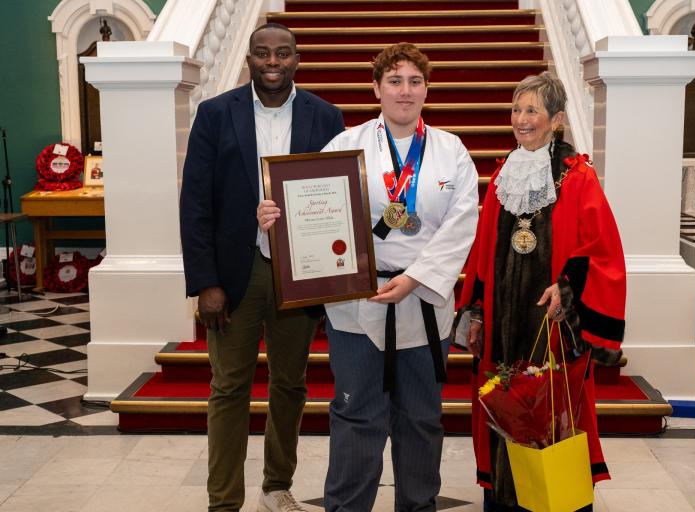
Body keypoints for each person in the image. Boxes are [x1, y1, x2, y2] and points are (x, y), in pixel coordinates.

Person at [265, 42, 478, 511]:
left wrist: (417, 278)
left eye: (415, 81)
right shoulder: (346, 146)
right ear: (377, 88)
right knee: (356, 415)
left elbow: (462, 225)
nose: (406, 91)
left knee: (421, 418)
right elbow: (312, 213)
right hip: (357, 301)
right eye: (395, 81)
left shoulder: (450, 151)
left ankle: (418, 505)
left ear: (427, 89)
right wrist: (276, 218)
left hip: (424, 300)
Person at [180, 23, 345, 512]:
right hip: (236, 272)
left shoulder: (327, 116)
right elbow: (196, 204)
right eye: (262, 53)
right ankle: (223, 500)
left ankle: (277, 486)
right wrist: (206, 282)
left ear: (297, 58)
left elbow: (338, 196)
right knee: (228, 385)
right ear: (248, 59)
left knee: (290, 384)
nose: (272, 61)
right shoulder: (213, 114)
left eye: (283, 53)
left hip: (301, 269)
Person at [458, 72, 626, 511]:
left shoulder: (577, 178)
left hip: (552, 330)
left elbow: (602, 250)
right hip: (501, 325)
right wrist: (475, 310)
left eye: (532, 109)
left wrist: (567, 290)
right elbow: (482, 253)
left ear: (556, 119)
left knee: (556, 415)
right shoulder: (502, 177)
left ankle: (556, 501)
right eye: (516, 109)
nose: (521, 118)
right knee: (500, 404)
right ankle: (504, 499)